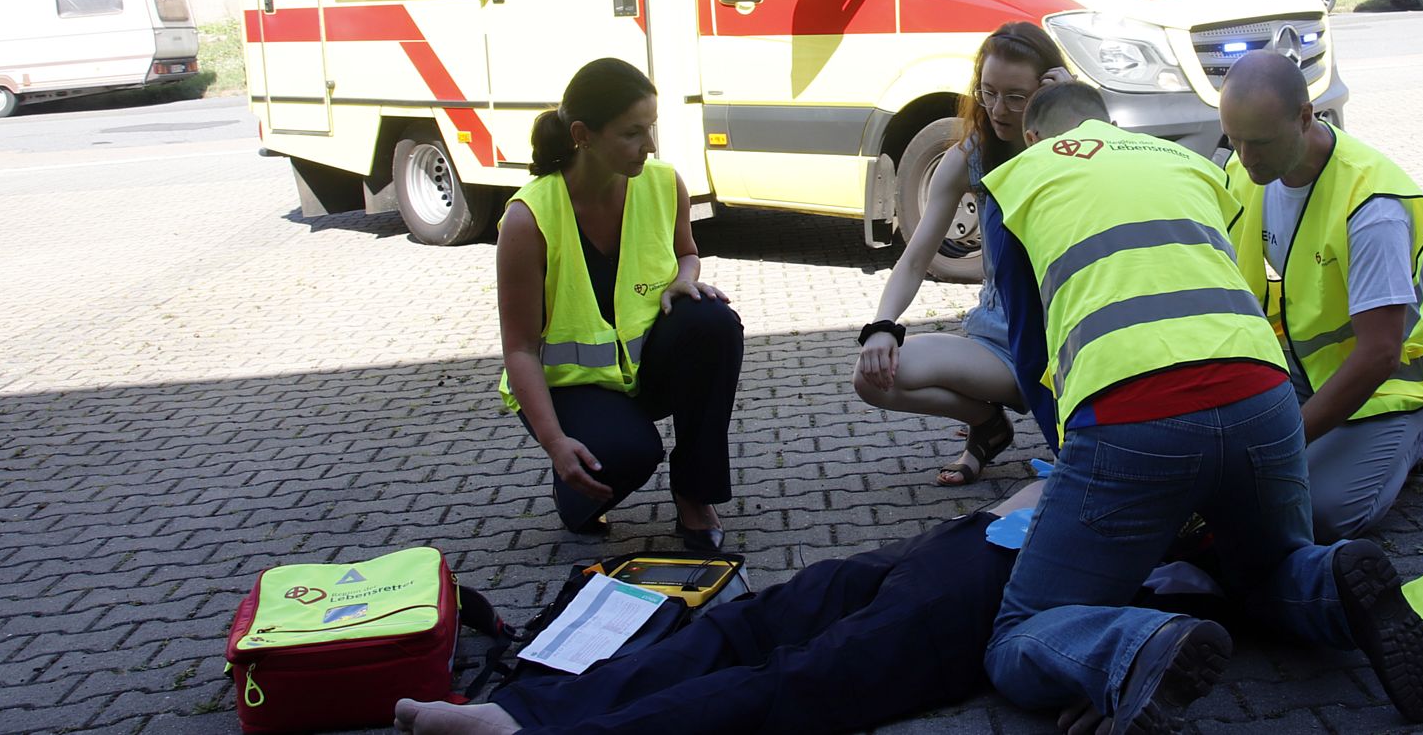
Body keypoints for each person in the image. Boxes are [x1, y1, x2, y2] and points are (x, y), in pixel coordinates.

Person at [977, 82, 1423, 730]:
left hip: (1135, 419)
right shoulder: (1186, 161)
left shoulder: (1018, 178)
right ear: (1110, 124)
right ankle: (1333, 582)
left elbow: (1030, 350)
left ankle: (1133, 645)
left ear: (1035, 139)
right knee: (1264, 571)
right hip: (1262, 396)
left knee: (1015, 634)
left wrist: (1071, 458)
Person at [392, 483, 1044, 735]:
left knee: (803, 674)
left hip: (1013, 580)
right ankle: (517, 711)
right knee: (750, 620)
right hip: (976, 532)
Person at [497, 58, 744, 548]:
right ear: (584, 135)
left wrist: (684, 279)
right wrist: (555, 444)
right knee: (630, 453)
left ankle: (695, 498)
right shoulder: (527, 220)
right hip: (572, 389)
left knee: (714, 322)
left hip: (641, 371)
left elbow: (686, 254)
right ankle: (574, 489)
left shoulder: (663, 183)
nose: (649, 145)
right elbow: (520, 350)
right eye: (633, 133)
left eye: (650, 128)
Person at [1217, 50, 1423, 543]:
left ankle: (1422, 435)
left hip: (1390, 383)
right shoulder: (1247, 169)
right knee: (1215, 464)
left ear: (1306, 117)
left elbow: (1380, 354)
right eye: (1234, 140)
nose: (1246, 158)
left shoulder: (1373, 207)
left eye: (1259, 142)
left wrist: (1286, 443)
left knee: (1320, 514)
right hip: (1306, 366)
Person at [853, 22, 1069, 485]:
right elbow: (914, 260)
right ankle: (988, 427)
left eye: (1016, 96)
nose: (998, 109)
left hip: (1072, 343)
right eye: (988, 92)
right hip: (1001, 343)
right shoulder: (973, 154)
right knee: (872, 375)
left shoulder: (1081, 149)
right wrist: (882, 328)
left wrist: (1072, 115)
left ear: (1049, 89)